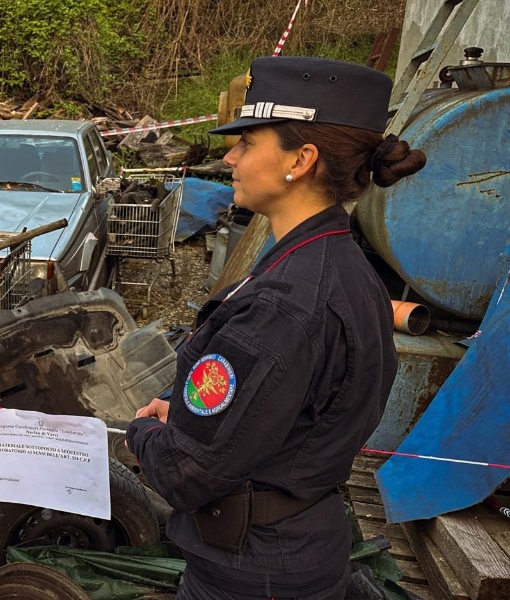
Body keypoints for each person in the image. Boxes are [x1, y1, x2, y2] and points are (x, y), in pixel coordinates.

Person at [125, 56, 426, 600]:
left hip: (251, 571)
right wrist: (189, 413)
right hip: (299, 545)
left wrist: (144, 432)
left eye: (248, 141)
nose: (230, 155)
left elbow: (185, 473)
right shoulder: (341, 266)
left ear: (301, 160)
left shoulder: (287, 301)